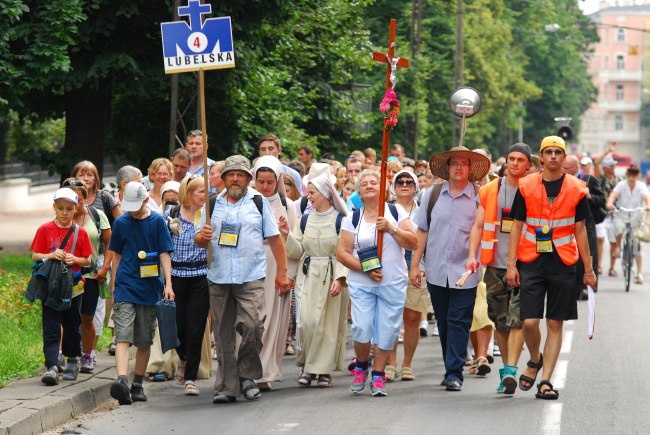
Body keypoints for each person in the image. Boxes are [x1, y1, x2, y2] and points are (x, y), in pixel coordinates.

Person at [195, 155, 292, 404]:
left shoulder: (259, 203)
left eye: (240, 174)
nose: (235, 178)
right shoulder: (212, 203)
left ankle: (247, 374)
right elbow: (198, 237)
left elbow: (275, 240)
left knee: (252, 325)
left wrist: (282, 273)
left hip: (251, 276)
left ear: (249, 179)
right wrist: (202, 236)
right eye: (231, 174)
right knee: (224, 334)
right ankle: (227, 387)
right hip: (219, 276)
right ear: (224, 178)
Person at [506, 136, 596, 400]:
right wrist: (511, 265)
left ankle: (545, 380)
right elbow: (516, 227)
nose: (554, 156)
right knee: (530, 321)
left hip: (564, 263)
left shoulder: (577, 189)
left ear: (563, 157)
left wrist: (588, 270)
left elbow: (581, 232)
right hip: (531, 261)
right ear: (541, 158)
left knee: (555, 323)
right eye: (549, 152)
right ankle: (535, 359)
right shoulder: (526, 186)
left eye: (559, 152)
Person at [409, 145, 490, 392]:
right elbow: (421, 231)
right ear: (448, 168)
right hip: (436, 270)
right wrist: (414, 266)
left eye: (463, 164)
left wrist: (477, 257)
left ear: (470, 169)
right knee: (444, 321)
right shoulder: (432, 195)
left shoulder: (479, 197)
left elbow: (485, 231)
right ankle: (450, 367)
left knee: (459, 320)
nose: (458, 168)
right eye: (454, 163)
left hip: (466, 270)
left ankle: (454, 372)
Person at [336, 170, 417, 397]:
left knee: (387, 330)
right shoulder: (352, 218)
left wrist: (391, 228)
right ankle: (362, 365)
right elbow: (342, 253)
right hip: (362, 283)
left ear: (384, 190)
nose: (370, 185)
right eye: (365, 184)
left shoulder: (395, 211)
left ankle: (378, 375)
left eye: (375, 182)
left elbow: (413, 243)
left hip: (393, 282)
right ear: (360, 192)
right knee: (361, 328)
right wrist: (367, 269)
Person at [466, 143, 531, 394]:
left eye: (520, 160)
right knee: (500, 323)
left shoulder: (532, 189)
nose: (514, 163)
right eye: (511, 159)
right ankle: (507, 370)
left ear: (528, 164)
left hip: (525, 265)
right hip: (494, 265)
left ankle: (512, 369)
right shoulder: (491, 190)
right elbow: (478, 226)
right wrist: (472, 255)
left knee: (518, 320)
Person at [108, 181, 175, 405]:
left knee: (144, 340)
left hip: (150, 287)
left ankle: (137, 384)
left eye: (137, 205)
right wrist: (114, 284)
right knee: (123, 335)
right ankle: (121, 381)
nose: (133, 210)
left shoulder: (157, 221)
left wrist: (168, 284)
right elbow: (116, 255)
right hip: (126, 285)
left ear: (146, 200)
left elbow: (165, 253)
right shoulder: (120, 222)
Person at [287, 173, 348, 388]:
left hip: (332, 274)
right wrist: (286, 233)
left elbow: (345, 250)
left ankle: (322, 371)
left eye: (312, 193)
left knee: (328, 326)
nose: (308, 197)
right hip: (309, 274)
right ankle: (307, 365)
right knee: (308, 322)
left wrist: (340, 279)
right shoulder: (305, 219)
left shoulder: (341, 220)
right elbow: (296, 250)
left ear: (324, 194)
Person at [31, 188, 93, 386]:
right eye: (60, 208)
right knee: (50, 326)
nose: (64, 213)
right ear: (54, 208)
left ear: (75, 209)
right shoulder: (44, 229)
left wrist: (74, 258)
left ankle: (73, 358)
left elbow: (88, 260)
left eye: (69, 208)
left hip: (73, 286)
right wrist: (50, 255)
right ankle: (52, 366)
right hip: (50, 285)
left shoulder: (80, 232)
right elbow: (35, 255)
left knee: (72, 324)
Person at [251, 156, 298, 391]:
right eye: (261, 181)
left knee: (271, 320)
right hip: (251, 263)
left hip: (276, 265)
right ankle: (247, 368)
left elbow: (297, 243)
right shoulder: (247, 201)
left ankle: (265, 371)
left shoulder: (287, 205)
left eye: (270, 182)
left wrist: (288, 274)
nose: (265, 187)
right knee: (251, 317)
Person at [164, 176, 209, 396]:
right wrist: (166, 282)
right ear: (189, 193)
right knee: (178, 327)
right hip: (176, 276)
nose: (205, 196)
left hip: (201, 275)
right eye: (201, 192)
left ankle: (191, 377)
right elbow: (163, 248)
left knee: (196, 328)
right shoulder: (171, 215)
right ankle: (182, 357)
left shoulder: (208, 216)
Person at [385, 170, 431, 382]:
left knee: (412, 318)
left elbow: (426, 241)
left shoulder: (422, 211)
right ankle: (391, 362)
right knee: (391, 318)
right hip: (390, 268)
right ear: (394, 187)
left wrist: (422, 267)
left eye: (409, 182)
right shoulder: (385, 210)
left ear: (415, 187)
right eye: (400, 182)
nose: (404, 185)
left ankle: (407, 364)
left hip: (415, 267)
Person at [64, 179, 112, 375]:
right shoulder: (62, 216)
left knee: (87, 317)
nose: (75, 206)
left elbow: (110, 243)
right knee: (68, 317)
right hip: (66, 273)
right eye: (72, 201)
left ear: (85, 199)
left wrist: (106, 266)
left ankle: (87, 354)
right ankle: (68, 355)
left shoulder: (96, 215)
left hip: (90, 274)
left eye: (79, 200)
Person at [562, 155, 605, 298]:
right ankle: (576, 287)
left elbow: (602, 200)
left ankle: (590, 286)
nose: (563, 170)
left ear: (575, 168)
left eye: (566, 168)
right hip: (568, 225)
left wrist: (589, 195)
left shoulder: (588, 180)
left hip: (587, 224)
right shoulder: (562, 181)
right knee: (574, 257)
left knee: (589, 254)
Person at [606, 164, 650, 284]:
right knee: (619, 227)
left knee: (637, 248)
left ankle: (639, 274)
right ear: (627, 175)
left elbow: (647, 198)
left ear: (638, 175)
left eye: (634, 175)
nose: (632, 177)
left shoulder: (641, 186)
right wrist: (610, 203)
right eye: (630, 174)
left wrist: (648, 206)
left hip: (636, 217)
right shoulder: (621, 185)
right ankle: (618, 247)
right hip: (622, 214)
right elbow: (613, 196)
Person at [72, 160, 122, 225]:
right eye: (81, 175)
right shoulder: (69, 197)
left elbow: (121, 222)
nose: (86, 178)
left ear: (95, 178)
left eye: (90, 175)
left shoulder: (104, 196)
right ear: (74, 178)